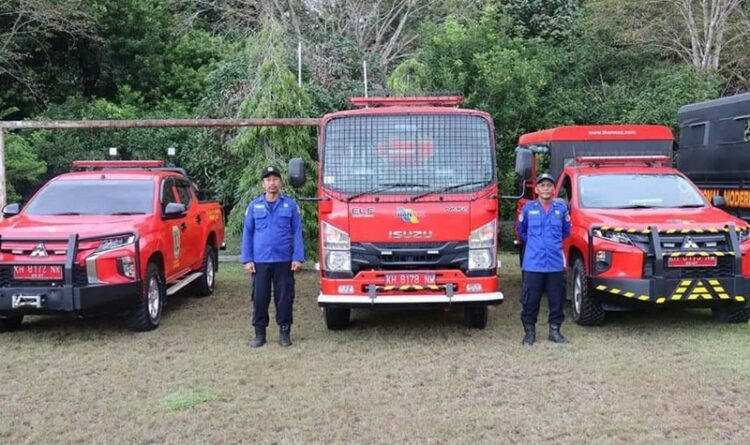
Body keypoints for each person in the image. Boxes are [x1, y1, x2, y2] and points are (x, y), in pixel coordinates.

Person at [241, 166, 304, 348]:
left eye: (275, 179)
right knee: (260, 297)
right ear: (263, 184)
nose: (272, 183)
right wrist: (247, 259)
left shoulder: (290, 205)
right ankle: (260, 334)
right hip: (260, 261)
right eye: (268, 180)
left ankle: (284, 333)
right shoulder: (254, 206)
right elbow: (248, 233)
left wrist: (298, 257)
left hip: (284, 260)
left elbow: (297, 232)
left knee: (284, 298)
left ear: (280, 182)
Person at [517, 172, 571, 346]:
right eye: (542, 185)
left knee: (556, 300)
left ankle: (555, 331)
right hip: (533, 263)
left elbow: (566, 232)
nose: (546, 188)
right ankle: (529, 333)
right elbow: (522, 231)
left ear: (554, 189)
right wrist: (537, 245)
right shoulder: (528, 209)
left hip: (554, 263)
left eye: (549, 185)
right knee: (530, 300)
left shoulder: (561, 210)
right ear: (537, 189)